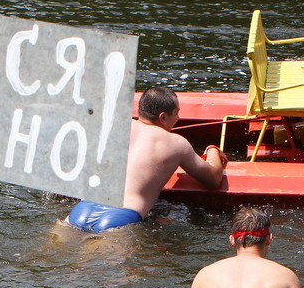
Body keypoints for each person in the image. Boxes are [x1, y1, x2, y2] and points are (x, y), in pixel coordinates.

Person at [67, 86, 228, 232]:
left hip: (83, 208)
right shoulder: (176, 143)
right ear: (163, 117)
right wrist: (212, 150)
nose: (178, 118)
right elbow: (213, 179)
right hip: (122, 216)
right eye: (177, 113)